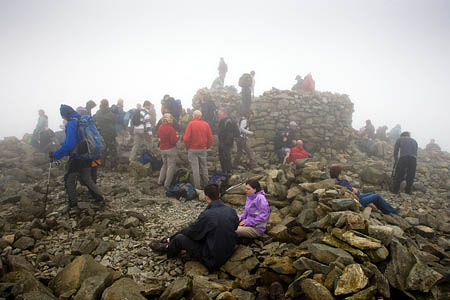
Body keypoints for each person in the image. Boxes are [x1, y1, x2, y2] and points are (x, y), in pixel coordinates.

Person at [150, 183, 238, 271]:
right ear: (219, 195)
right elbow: (235, 226)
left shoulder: (207, 215)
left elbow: (192, 232)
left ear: (206, 197)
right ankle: (169, 241)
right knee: (204, 232)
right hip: (228, 252)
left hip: (212, 260)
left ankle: (167, 248)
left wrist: (173, 237)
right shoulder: (231, 211)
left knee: (180, 238)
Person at [50, 104, 104, 214]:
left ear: (65, 115)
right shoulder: (81, 120)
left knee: (69, 178)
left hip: (78, 157)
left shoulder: (71, 123)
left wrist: (56, 155)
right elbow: (76, 140)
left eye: (63, 116)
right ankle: (99, 197)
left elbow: (70, 144)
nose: (63, 118)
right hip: (88, 154)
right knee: (86, 177)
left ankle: (72, 204)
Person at [330, 164, 397, 215]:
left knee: (373, 194)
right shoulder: (341, 182)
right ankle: (392, 212)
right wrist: (353, 190)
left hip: (358, 197)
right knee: (377, 196)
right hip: (358, 201)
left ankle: (389, 209)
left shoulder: (336, 181)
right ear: (338, 173)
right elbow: (352, 191)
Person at [183, 110, 214, 189]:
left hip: (192, 149)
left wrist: (187, 147)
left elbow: (186, 138)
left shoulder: (191, 124)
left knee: (195, 168)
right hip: (202, 148)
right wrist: (207, 146)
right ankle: (207, 184)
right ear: (200, 116)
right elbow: (210, 138)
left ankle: (197, 187)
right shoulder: (206, 124)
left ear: (194, 116)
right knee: (204, 166)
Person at [94, 99, 118, 169]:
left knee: (100, 150)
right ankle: (114, 166)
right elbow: (114, 122)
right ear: (107, 105)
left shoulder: (97, 113)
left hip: (100, 134)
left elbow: (95, 122)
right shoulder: (111, 114)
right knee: (112, 150)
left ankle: (97, 165)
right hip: (110, 135)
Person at [157, 114, 178, 188]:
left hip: (162, 149)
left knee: (164, 165)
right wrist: (177, 137)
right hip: (170, 149)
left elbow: (158, 136)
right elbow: (173, 141)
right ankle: (167, 184)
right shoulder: (171, 128)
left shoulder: (160, 127)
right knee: (170, 167)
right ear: (169, 120)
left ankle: (160, 181)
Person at [218, 109, 237, 175]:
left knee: (227, 157)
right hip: (221, 142)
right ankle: (224, 171)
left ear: (224, 113)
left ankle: (229, 172)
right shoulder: (221, 121)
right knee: (221, 157)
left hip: (226, 143)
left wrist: (225, 143)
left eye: (220, 113)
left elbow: (230, 134)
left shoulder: (228, 121)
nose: (218, 115)